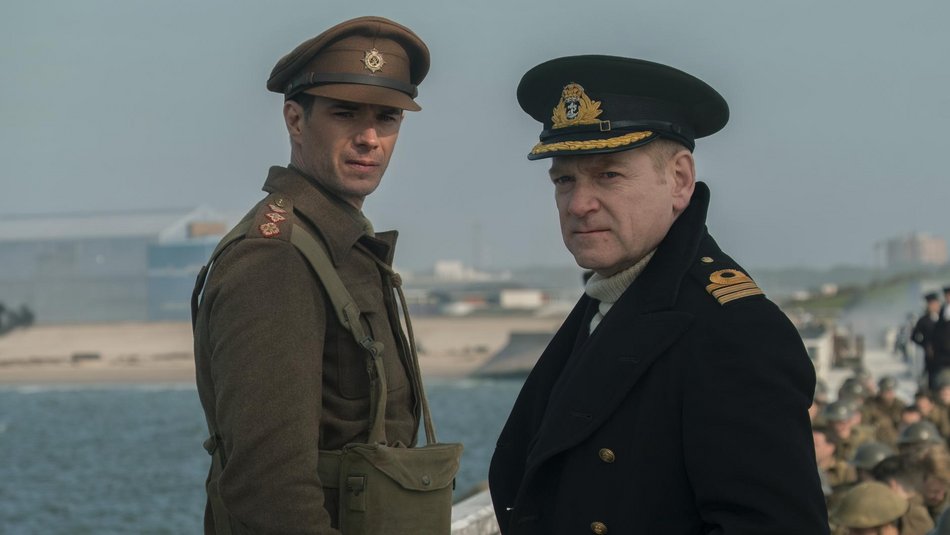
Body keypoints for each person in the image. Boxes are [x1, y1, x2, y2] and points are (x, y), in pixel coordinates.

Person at [488, 55, 828, 534]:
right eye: (565, 180)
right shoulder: (610, 301)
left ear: (679, 180)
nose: (579, 204)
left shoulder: (735, 330)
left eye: (608, 175)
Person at [192, 16, 430, 534]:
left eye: (387, 117)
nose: (370, 138)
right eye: (345, 114)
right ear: (295, 120)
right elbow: (269, 487)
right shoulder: (275, 260)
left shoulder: (339, 247)